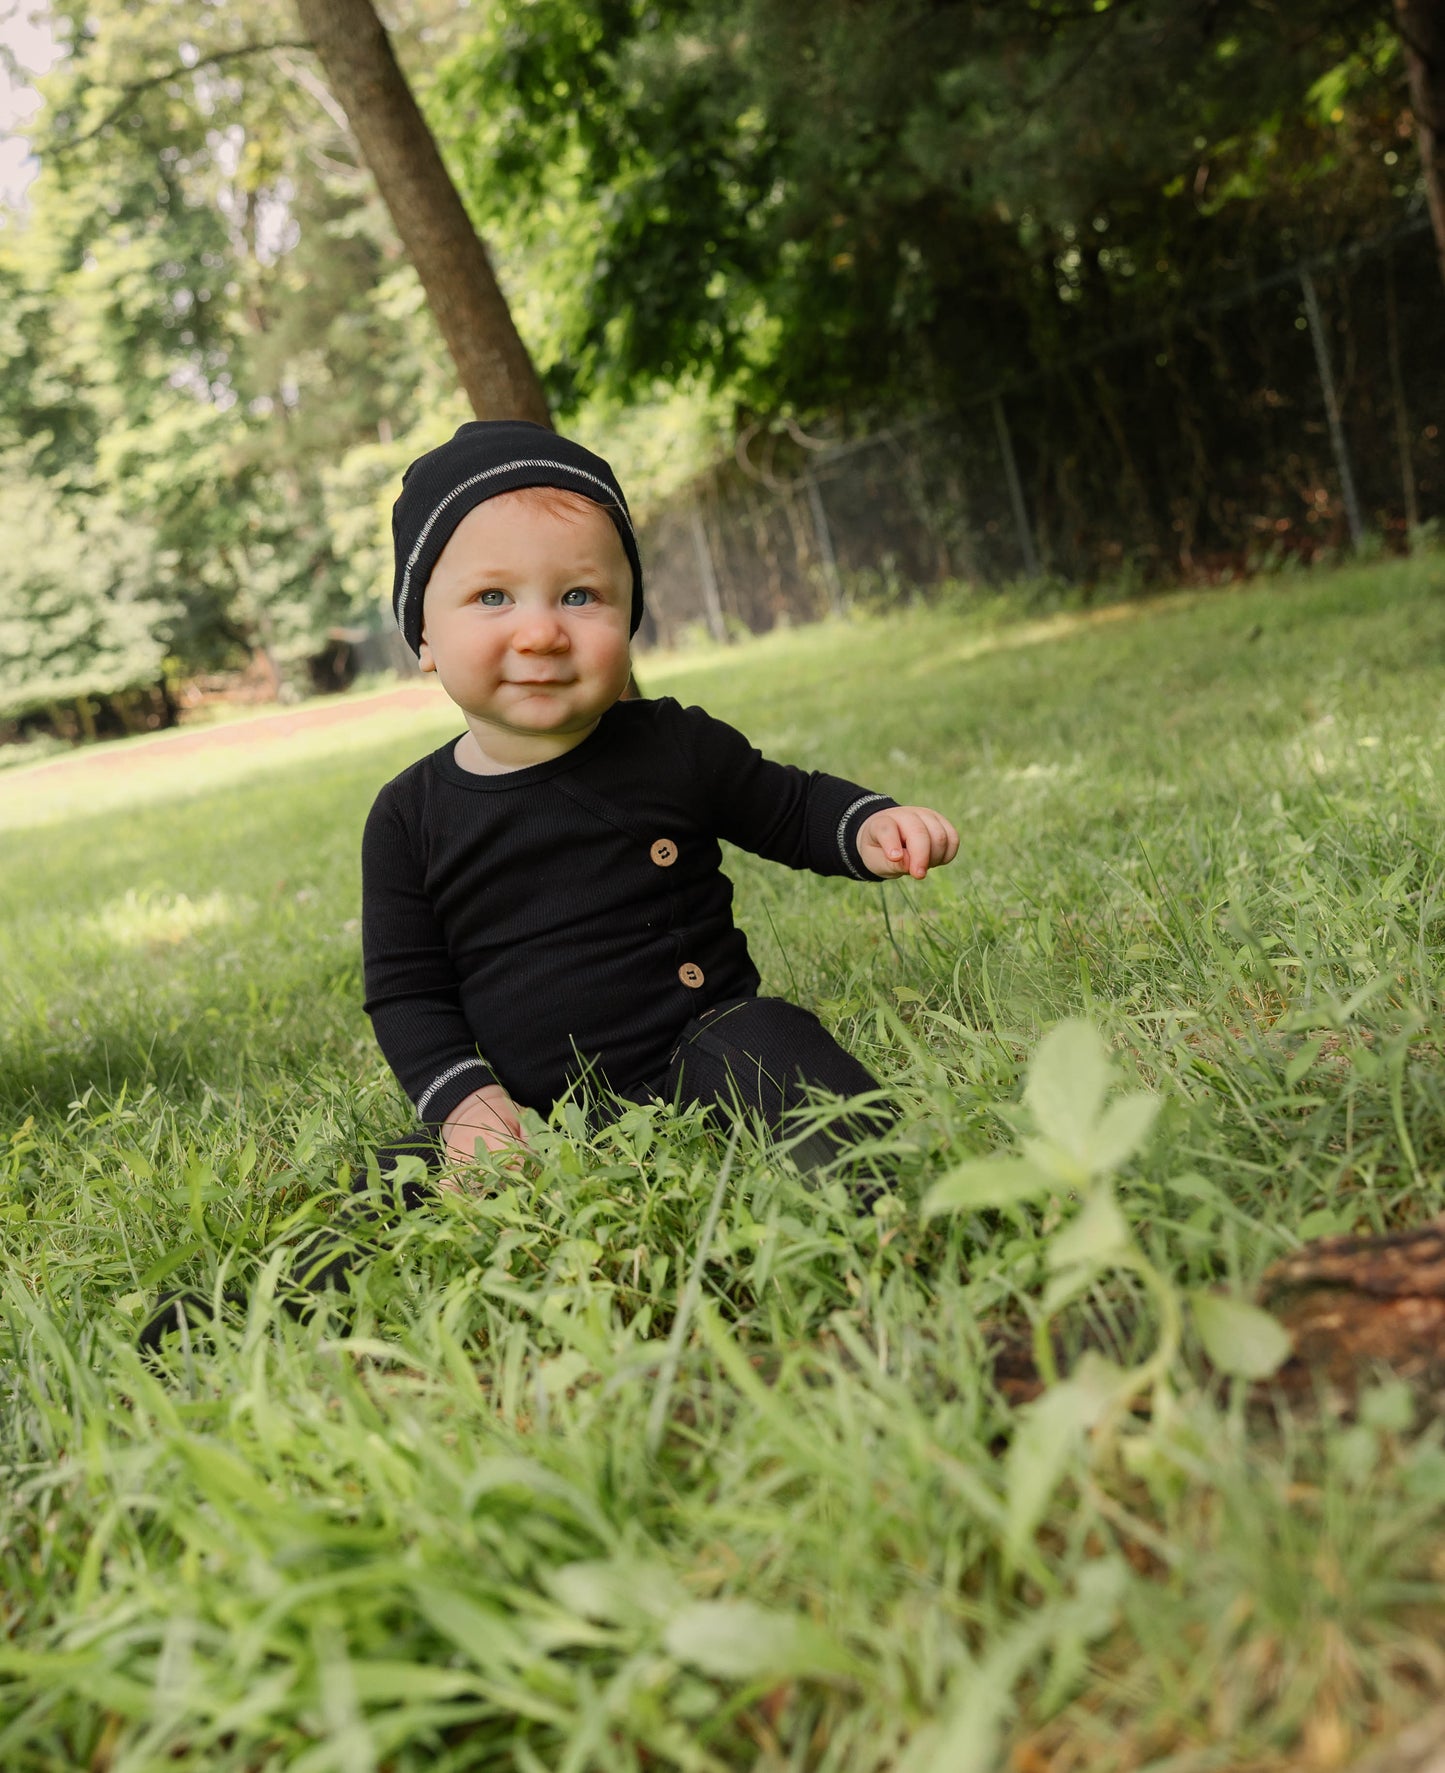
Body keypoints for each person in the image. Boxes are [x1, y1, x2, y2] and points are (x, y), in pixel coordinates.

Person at [361, 419, 960, 1193]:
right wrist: (465, 1102)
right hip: (534, 1109)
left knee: (775, 1041)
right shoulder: (409, 817)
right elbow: (408, 992)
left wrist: (870, 825)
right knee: (394, 1181)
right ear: (425, 636)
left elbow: (789, 806)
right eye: (491, 597)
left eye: (580, 595)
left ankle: (882, 1198)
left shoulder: (675, 745)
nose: (541, 631)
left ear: (628, 617)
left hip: (702, 1047)